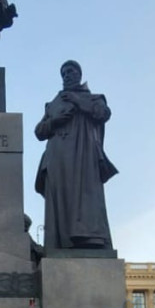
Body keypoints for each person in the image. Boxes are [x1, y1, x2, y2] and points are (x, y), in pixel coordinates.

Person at [34, 61, 118, 250]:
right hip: (57, 157)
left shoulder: (94, 98)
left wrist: (78, 101)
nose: (67, 75)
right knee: (60, 198)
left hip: (83, 156)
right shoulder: (52, 104)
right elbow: (39, 131)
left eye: (71, 71)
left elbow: (103, 114)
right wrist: (55, 121)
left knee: (85, 198)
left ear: (79, 74)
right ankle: (60, 243)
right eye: (63, 73)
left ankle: (89, 240)